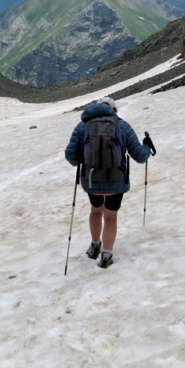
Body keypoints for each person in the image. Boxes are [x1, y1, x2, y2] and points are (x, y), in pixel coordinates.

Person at [64, 97, 156, 269]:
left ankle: (94, 245)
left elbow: (71, 155)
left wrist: (81, 162)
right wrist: (147, 147)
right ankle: (106, 255)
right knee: (111, 216)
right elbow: (140, 156)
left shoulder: (83, 126)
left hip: (91, 180)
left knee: (96, 211)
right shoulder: (122, 126)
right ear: (114, 110)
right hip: (116, 181)